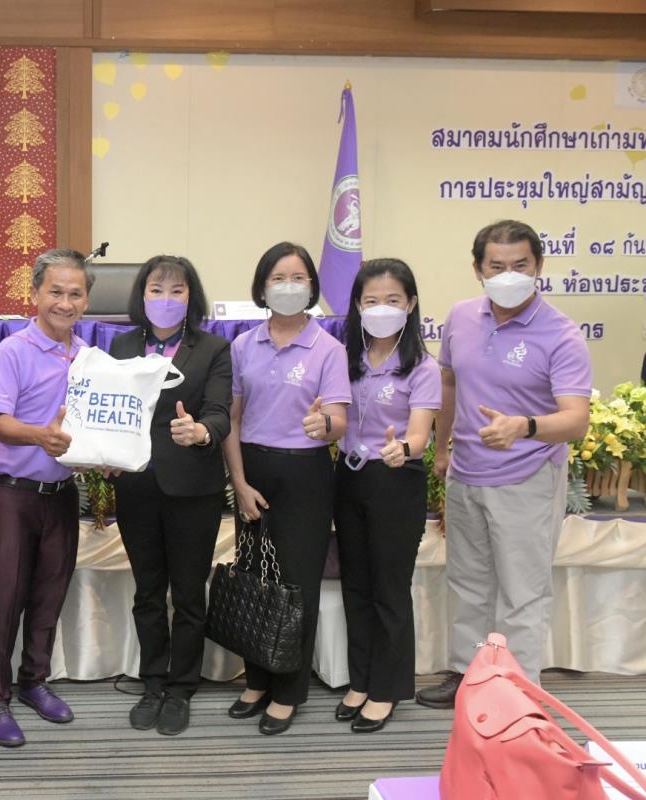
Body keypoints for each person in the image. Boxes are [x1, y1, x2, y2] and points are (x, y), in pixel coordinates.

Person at [416, 220, 591, 709]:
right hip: (466, 474)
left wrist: (525, 426)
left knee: (522, 592)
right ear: (478, 269)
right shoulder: (461, 316)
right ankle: (467, 674)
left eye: (520, 265)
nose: (509, 275)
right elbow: (449, 383)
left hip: (527, 476)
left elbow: (577, 419)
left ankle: (516, 690)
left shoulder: (561, 334)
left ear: (539, 267)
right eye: (497, 266)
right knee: (468, 583)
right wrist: (443, 449)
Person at [221, 242, 350, 735]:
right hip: (253, 468)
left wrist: (325, 425)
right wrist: (238, 481)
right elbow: (232, 419)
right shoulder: (242, 346)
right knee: (256, 576)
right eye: (278, 278)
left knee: (296, 584)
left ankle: (289, 690)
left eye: (298, 278)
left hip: (305, 474)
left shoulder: (328, 349)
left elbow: (338, 419)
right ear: (262, 287)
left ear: (312, 286)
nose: (288, 286)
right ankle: (257, 679)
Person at [109, 255, 232, 736]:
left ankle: (181, 687)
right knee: (147, 592)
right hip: (137, 486)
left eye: (176, 290)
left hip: (193, 489)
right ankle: (153, 682)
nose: (166, 299)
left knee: (188, 593)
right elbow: (109, 409)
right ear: (141, 296)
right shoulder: (122, 346)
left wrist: (201, 431)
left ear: (191, 297)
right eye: (156, 290)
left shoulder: (213, 348)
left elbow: (220, 412)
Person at [0, 248, 91, 748]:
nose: (65, 302)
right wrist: (41, 436)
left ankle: (33, 682)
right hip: (12, 496)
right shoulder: (12, 351)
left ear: (86, 300)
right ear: (35, 294)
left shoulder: (88, 358)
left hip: (62, 494)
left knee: (50, 594)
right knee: (6, 598)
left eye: (75, 293)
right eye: (55, 292)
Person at [333, 259, 440, 733]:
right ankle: (361, 680)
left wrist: (405, 449)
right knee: (356, 586)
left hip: (395, 479)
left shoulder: (422, 367)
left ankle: (388, 688)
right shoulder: (344, 359)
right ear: (358, 306)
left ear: (410, 304)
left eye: (392, 300)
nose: (381, 309)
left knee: (389, 588)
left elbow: (419, 433)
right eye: (371, 300)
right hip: (348, 477)